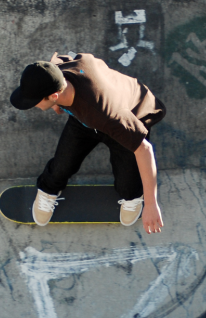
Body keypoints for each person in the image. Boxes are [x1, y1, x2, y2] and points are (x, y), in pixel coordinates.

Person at [10, 52, 166, 234]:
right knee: (62, 164)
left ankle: (133, 197)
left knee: (128, 185)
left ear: (53, 95)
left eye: (35, 102)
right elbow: (71, 60)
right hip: (84, 119)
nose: (34, 106)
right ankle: (48, 190)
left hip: (126, 119)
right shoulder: (59, 72)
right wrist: (57, 104)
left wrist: (151, 204)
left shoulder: (108, 113)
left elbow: (144, 150)